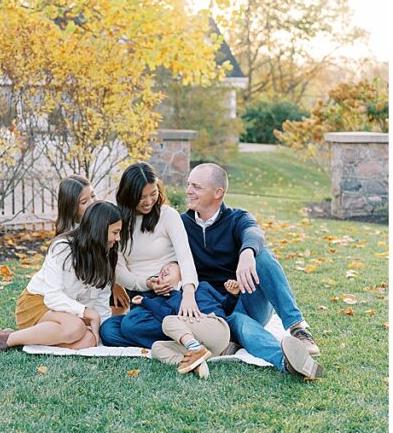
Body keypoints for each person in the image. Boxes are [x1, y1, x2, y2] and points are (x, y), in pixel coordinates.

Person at [179, 163, 322, 380]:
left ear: (218, 192)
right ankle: (289, 362)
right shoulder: (182, 224)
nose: (188, 191)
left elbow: (254, 232)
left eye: (196, 186)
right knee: (244, 327)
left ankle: (297, 328)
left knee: (261, 255)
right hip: (216, 313)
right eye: (189, 184)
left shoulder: (236, 218)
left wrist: (247, 253)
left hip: (247, 300)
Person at [0, 201, 123, 354]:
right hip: (38, 302)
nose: (118, 238)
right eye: (115, 232)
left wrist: (100, 332)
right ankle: (0, 340)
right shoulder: (63, 249)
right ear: (99, 229)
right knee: (75, 328)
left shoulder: (108, 255)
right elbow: (52, 297)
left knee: (87, 341)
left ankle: (31, 335)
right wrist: (87, 312)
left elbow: (101, 301)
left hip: (66, 313)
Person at [99, 162, 201, 348]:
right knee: (107, 331)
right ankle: (186, 338)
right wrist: (146, 283)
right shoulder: (118, 222)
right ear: (128, 195)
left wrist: (188, 293)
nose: (148, 202)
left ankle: (186, 334)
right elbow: (119, 270)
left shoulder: (168, 215)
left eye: (153, 194)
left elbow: (185, 257)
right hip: (140, 294)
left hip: (169, 293)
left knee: (131, 326)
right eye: (141, 197)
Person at [132, 262, 237, 378]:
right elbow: (164, 315)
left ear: (183, 272)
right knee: (157, 347)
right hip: (206, 345)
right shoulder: (170, 300)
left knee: (168, 320)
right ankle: (195, 363)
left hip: (216, 327)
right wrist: (144, 301)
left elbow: (226, 306)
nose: (164, 270)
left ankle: (195, 350)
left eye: (170, 267)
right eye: (161, 271)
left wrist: (232, 295)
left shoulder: (202, 286)